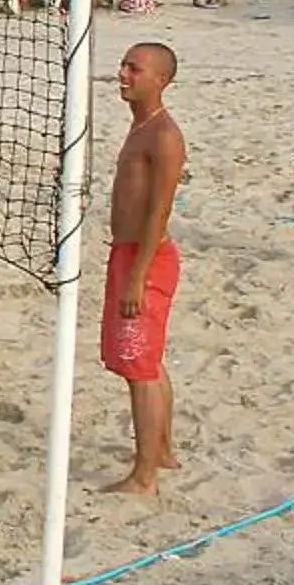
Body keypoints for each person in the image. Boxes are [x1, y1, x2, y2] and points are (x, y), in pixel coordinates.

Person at [101, 41, 186, 494]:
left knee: (140, 370)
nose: (124, 74)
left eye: (134, 68)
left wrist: (137, 276)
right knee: (147, 361)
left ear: (160, 80)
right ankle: (164, 450)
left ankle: (144, 474)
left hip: (146, 260)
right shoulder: (141, 127)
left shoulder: (164, 135)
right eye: (123, 64)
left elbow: (159, 211)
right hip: (131, 255)